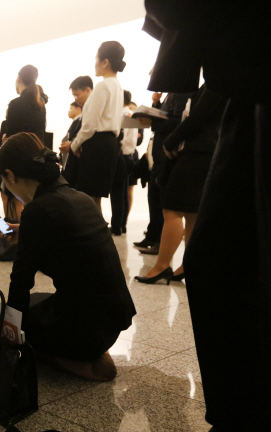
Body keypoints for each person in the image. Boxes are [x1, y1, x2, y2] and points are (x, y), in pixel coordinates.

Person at [144, 3, 270, 431]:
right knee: (216, 262)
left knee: (229, 261)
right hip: (247, 87)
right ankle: (238, 414)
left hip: (251, 78)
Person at [0, 132, 136, 382]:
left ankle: (78, 361)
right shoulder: (79, 197)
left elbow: (20, 282)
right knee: (37, 301)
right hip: (113, 318)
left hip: (86, 331)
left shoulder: (37, 210)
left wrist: (10, 331)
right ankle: (92, 349)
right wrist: (25, 233)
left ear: (10, 175)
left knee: (13, 314)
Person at [135, 84, 226, 283]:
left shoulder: (213, 86)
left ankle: (161, 266)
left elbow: (196, 118)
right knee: (191, 213)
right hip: (203, 151)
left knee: (172, 209)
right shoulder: (213, 85)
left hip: (197, 152)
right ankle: (186, 264)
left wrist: (171, 141)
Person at [62, 42, 125, 211]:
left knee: (87, 197)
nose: (95, 63)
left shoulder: (103, 86)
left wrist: (74, 145)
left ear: (105, 62)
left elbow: (90, 125)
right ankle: (97, 234)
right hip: (109, 144)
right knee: (95, 197)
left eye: (96, 58)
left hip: (97, 144)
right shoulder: (117, 86)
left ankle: (90, 233)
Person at [133, 91, 191, 254]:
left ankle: (159, 243)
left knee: (162, 201)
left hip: (167, 153)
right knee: (154, 197)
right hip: (160, 153)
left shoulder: (181, 93)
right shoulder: (171, 93)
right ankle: (153, 237)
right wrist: (156, 105)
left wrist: (152, 121)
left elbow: (178, 121)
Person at [3, 65, 47, 220]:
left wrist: (5, 140)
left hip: (17, 160)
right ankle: (29, 237)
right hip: (36, 161)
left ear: (19, 79)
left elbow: (12, 137)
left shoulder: (15, 104)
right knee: (31, 201)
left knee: (14, 201)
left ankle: (15, 238)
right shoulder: (40, 105)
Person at [109, 90, 138, 235]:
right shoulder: (131, 114)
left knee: (117, 193)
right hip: (130, 156)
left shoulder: (123, 115)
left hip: (122, 156)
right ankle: (122, 224)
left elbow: (122, 138)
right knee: (123, 193)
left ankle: (116, 226)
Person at [61, 76, 93, 186]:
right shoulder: (86, 109)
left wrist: (72, 146)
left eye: (77, 95)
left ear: (88, 90)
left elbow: (88, 130)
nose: (75, 99)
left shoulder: (92, 107)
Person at [59, 101, 82, 173]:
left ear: (78, 109)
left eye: (71, 108)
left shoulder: (79, 122)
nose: (69, 111)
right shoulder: (75, 122)